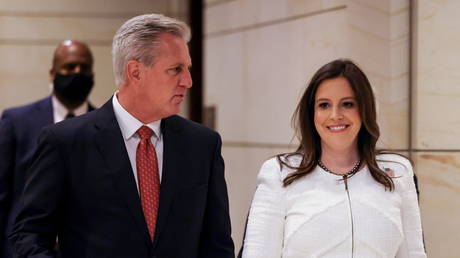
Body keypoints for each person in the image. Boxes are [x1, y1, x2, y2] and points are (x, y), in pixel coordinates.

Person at [10, 13, 234, 258]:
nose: (188, 81)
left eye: (188, 69)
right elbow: (29, 236)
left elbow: (217, 245)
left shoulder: (203, 144)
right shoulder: (66, 142)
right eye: (175, 69)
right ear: (135, 72)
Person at [241, 59, 426, 257]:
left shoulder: (398, 171)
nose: (335, 115)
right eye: (324, 105)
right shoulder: (280, 173)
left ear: (364, 110)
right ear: (312, 113)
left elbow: (414, 253)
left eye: (347, 104)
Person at [0, 40, 95, 258]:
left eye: (84, 68)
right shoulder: (17, 122)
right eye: (69, 67)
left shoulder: (105, 127)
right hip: (23, 250)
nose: (77, 73)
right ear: (53, 73)